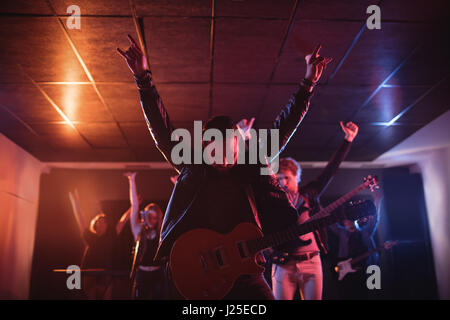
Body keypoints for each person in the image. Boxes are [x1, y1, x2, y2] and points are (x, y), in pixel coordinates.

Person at [117, 34, 332, 299]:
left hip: (245, 272)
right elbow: (161, 131)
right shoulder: (192, 165)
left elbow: (283, 127)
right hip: (198, 269)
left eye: (228, 148)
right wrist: (143, 79)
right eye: (213, 149)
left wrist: (308, 84)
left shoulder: (250, 164)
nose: (221, 157)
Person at [271, 121, 359, 300]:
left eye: (287, 178)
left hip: (311, 261)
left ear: (297, 177)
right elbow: (255, 174)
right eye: (279, 179)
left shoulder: (309, 193)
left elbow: (330, 171)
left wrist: (348, 140)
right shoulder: (274, 200)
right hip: (283, 264)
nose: (283, 183)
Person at [69, 191, 132, 299]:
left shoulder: (111, 236)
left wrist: (133, 207)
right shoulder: (90, 236)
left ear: (107, 225)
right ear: (95, 224)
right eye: (99, 221)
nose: (101, 223)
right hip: (90, 274)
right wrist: (75, 203)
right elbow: (80, 219)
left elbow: (123, 221)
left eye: (104, 221)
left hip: (106, 273)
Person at [328, 194, 381, 299]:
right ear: (344, 223)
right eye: (347, 221)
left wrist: (377, 199)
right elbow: (330, 223)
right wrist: (318, 205)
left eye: (351, 221)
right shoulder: (342, 232)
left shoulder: (366, 232)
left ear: (356, 221)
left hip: (366, 268)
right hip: (347, 270)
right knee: (347, 293)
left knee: (369, 293)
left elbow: (374, 219)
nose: (349, 223)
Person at [124, 172, 168, 299]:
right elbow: (135, 207)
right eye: (149, 216)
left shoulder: (161, 232)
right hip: (142, 274)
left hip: (158, 274)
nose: (151, 220)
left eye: (154, 217)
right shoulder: (138, 230)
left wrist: (177, 184)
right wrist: (131, 181)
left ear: (158, 218)